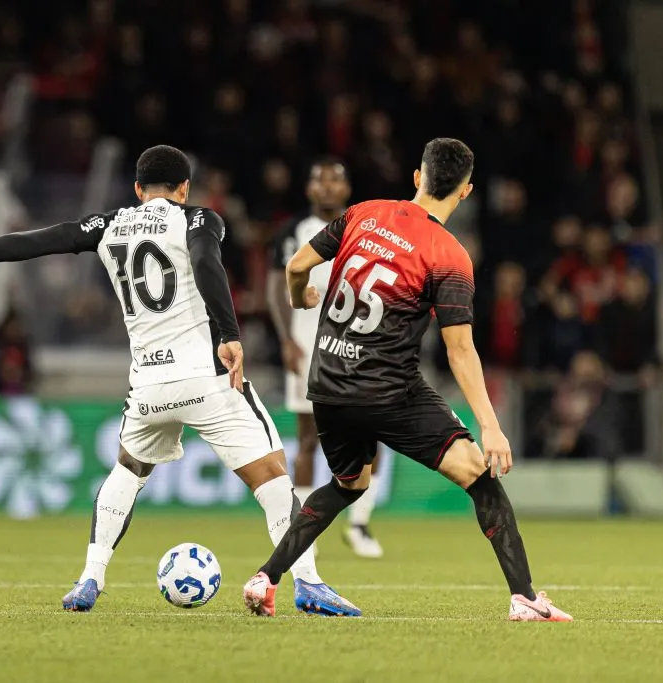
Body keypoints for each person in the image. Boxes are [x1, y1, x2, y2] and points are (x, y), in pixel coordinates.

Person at [0, 145, 359, 617]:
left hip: (149, 385)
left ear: (138, 189)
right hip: (206, 378)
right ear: (184, 188)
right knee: (272, 476)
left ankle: (90, 577)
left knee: (128, 470)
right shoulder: (199, 219)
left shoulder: (109, 225)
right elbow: (206, 263)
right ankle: (307, 582)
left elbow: (39, 240)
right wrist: (230, 334)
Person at [242, 138, 572, 622]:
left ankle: (266, 578)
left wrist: (298, 298)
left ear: (417, 177)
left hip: (329, 382)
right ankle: (524, 598)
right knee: (481, 479)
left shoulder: (364, 213)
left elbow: (296, 266)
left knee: (348, 484)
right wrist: (491, 424)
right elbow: (460, 349)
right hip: (388, 390)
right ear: (464, 193)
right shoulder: (449, 254)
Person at [268, 159, 384, 559]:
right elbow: (274, 285)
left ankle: (359, 524)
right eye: (322, 180)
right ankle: (304, 533)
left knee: (373, 436)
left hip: (359, 349)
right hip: (307, 349)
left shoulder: (365, 232)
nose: (330, 187)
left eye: (337, 179)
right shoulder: (293, 232)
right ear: (309, 190)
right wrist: (285, 339)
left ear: (348, 188)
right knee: (307, 441)